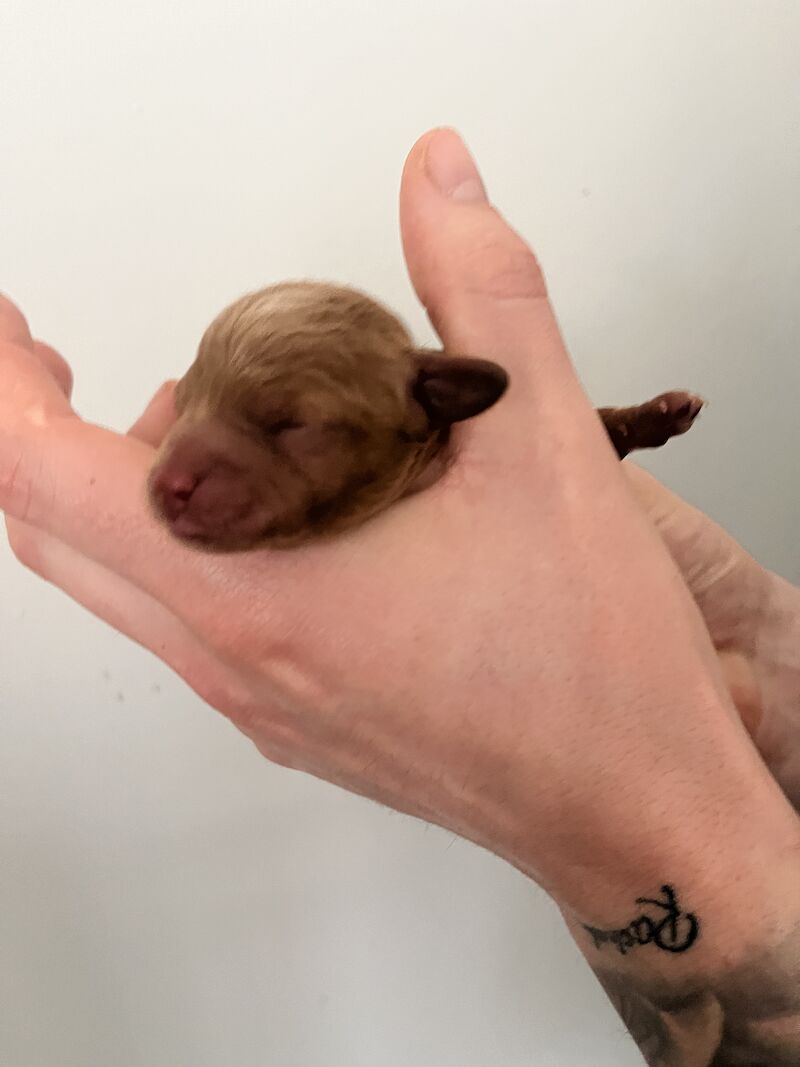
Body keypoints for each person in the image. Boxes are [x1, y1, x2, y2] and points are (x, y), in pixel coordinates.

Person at [2, 128, 798, 1065]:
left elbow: (553, 462)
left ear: (436, 400)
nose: (180, 470)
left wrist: (612, 811)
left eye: (287, 425)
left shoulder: (439, 437)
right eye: (202, 406)